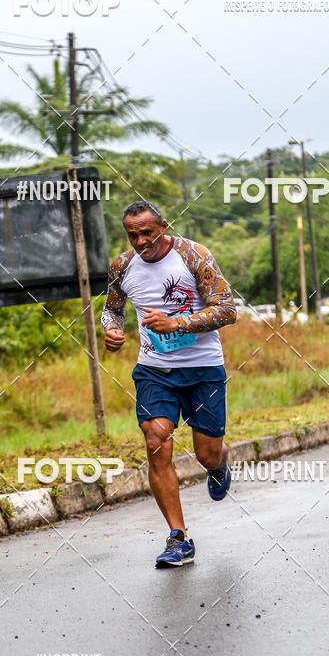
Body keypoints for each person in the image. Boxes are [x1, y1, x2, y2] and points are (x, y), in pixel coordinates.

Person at [101, 201, 237, 568]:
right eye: (133, 234)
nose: (141, 241)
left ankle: (219, 463)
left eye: (148, 232)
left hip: (202, 369)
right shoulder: (121, 265)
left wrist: (179, 323)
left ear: (163, 225)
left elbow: (227, 308)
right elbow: (111, 308)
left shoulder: (194, 254)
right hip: (154, 369)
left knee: (206, 454)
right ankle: (179, 538)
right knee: (155, 440)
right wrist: (111, 329)